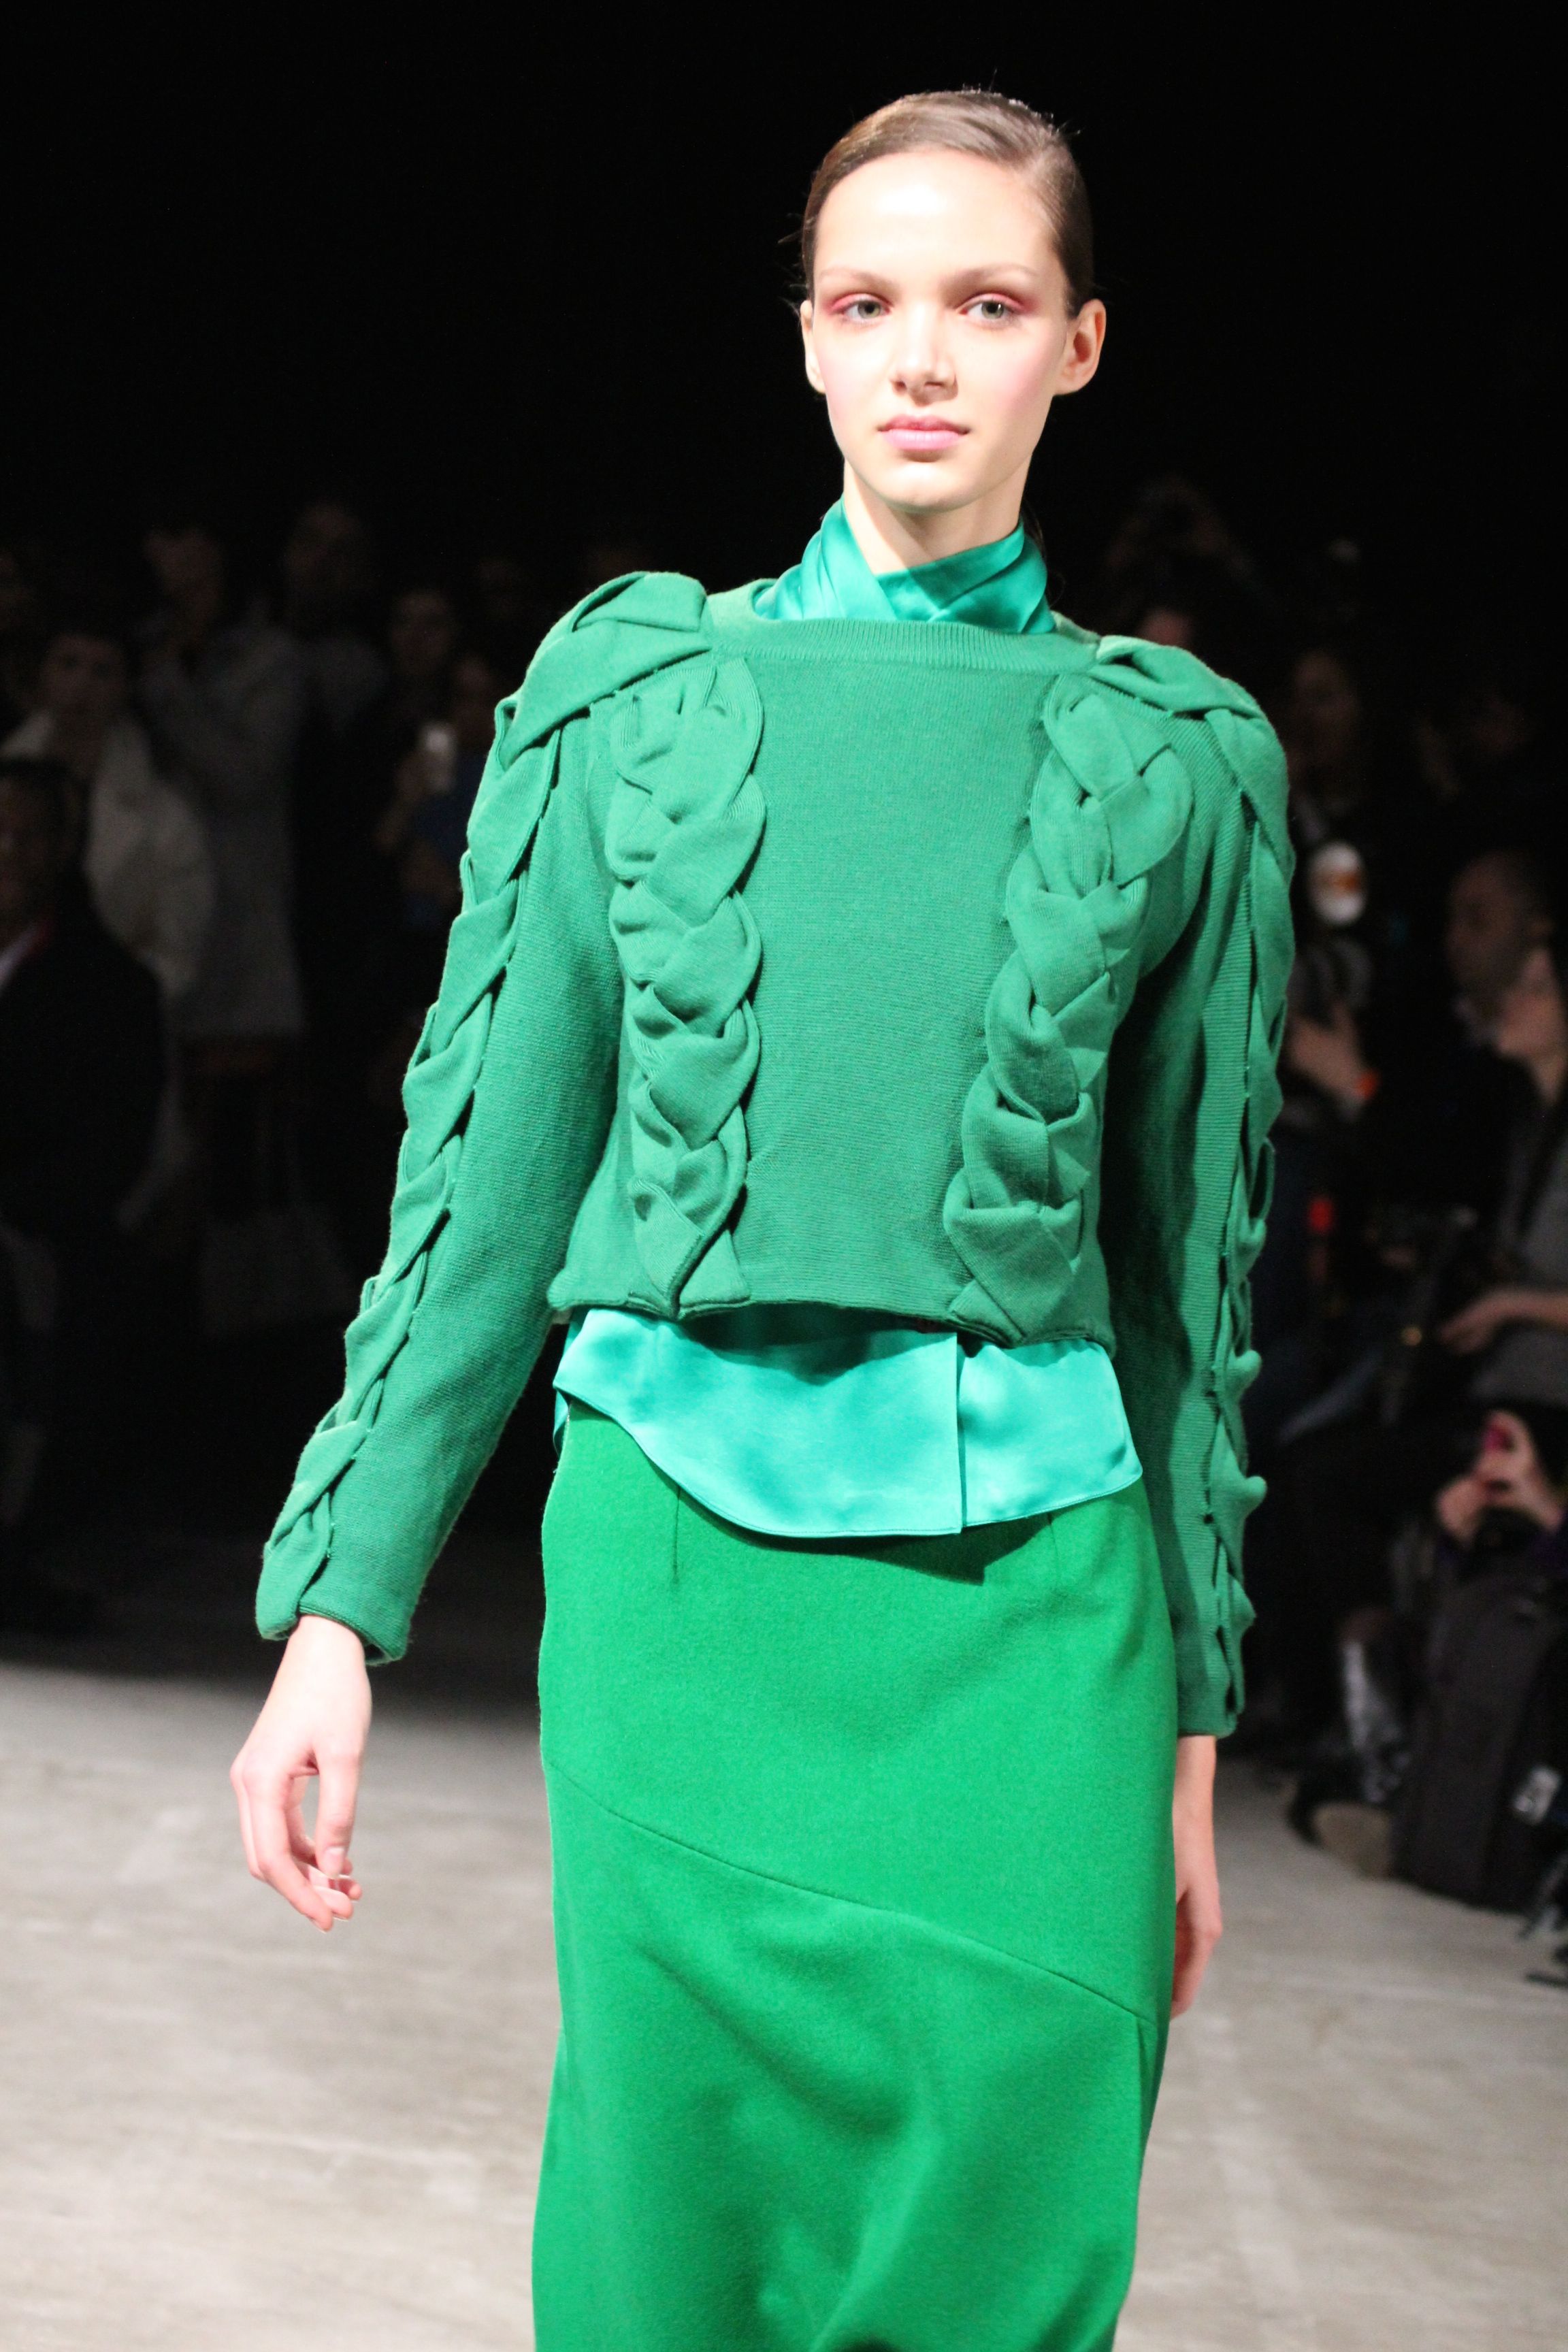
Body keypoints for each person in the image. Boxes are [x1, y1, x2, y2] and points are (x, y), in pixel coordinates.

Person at [231, 92, 1291, 2349]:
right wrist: (340, 1607)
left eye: (986, 302)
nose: (921, 354)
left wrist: (1192, 1739)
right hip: (679, 1583)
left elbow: (1186, 1287)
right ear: (805, 337)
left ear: (1078, 344)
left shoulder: (1181, 757)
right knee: (673, 2226)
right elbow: (482, 1188)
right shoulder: (629, 700)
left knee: (1013, 2209)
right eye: (868, 300)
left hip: (1040, 1614)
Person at [0, 755, 163, 1626]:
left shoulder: (107, 988)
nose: (8, 852)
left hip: (36, 1234)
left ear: (62, 850)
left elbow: (108, 1152)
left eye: (28, 836)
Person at [4, 617, 213, 1005]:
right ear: (43, 674)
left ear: (125, 687)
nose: (81, 685)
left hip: (101, 1018)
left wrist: (110, 1003)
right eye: (68, 664)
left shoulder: (167, 819)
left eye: (102, 672)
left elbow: (175, 954)